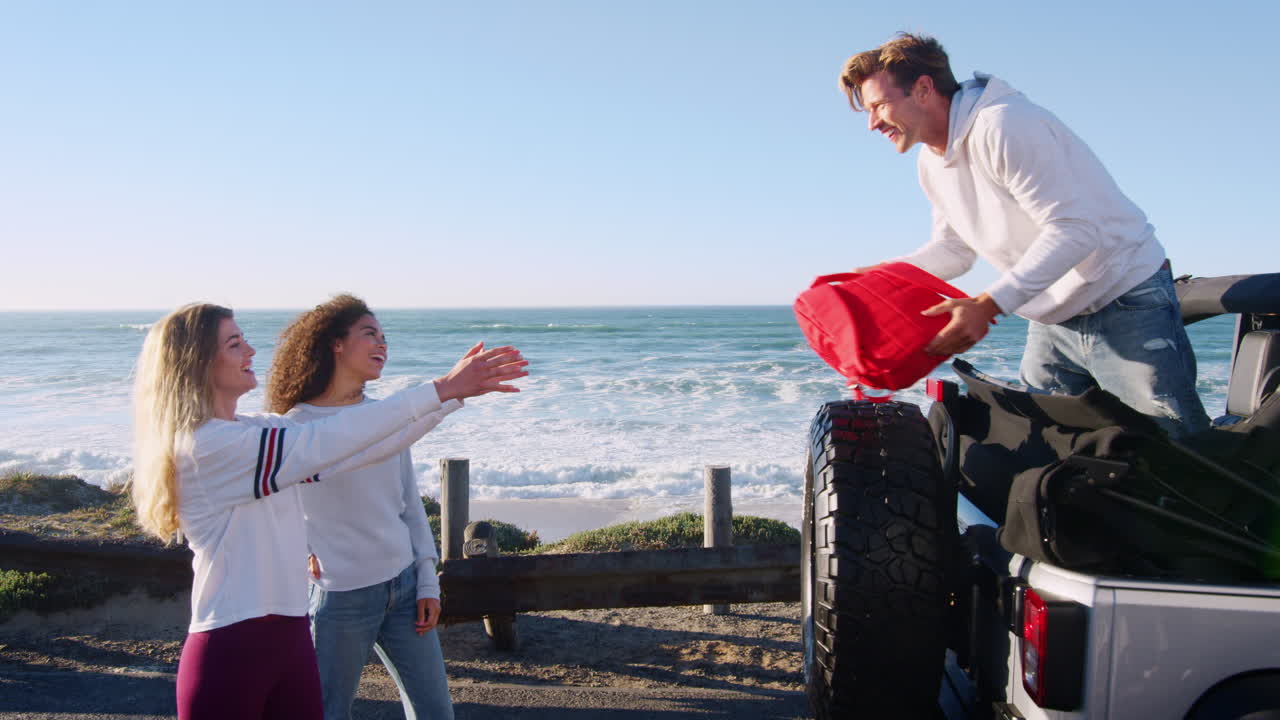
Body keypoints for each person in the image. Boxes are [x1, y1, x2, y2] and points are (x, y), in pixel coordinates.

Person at [130, 303, 527, 720]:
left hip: (290, 636)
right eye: (234, 343)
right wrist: (441, 388)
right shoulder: (208, 447)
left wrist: (453, 395)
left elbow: (361, 445)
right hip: (233, 643)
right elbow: (333, 437)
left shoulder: (255, 430)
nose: (250, 350)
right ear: (197, 362)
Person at [838, 32, 1209, 438]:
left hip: (1124, 297)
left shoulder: (1004, 124)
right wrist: (885, 276)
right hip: (1052, 318)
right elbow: (954, 250)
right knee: (1051, 449)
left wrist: (988, 305)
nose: (872, 123)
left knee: (1173, 446)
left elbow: (1075, 231)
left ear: (924, 89)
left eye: (879, 105)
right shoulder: (931, 161)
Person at [266, 295, 453, 720]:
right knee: (328, 713)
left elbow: (409, 504)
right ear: (336, 343)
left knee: (436, 713)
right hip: (340, 595)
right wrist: (300, 550)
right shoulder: (295, 427)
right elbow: (273, 509)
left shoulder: (383, 416)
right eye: (370, 334)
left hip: (404, 589)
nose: (382, 344)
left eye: (385, 337)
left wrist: (427, 581)